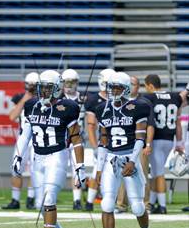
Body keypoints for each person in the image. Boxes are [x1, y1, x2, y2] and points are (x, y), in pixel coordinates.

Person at [13, 70, 86, 228]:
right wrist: (18, 156)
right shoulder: (31, 105)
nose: (44, 91)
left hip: (57, 157)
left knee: (49, 199)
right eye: (42, 87)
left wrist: (79, 167)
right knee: (41, 203)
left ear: (57, 89)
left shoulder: (67, 107)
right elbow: (25, 134)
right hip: (38, 158)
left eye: (48, 88)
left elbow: (76, 139)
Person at [95, 72, 152, 228]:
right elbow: (103, 142)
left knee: (137, 206)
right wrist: (98, 169)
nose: (113, 91)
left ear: (126, 89)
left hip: (129, 155)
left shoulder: (138, 107)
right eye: (112, 87)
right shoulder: (102, 108)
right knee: (107, 203)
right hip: (111, 157)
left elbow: (140, 139)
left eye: (118, 87)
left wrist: (133, 161)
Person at [143, 74, 184, 214]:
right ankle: (154, 203)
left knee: (158, 173)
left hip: (156, 138)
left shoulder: (150, 97)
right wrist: (179, 142)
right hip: (169, 139)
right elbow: (178, 122)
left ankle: (162, 205)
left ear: (150, 85)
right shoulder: (175, 96)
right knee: (156, 172)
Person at [115, 76, 153, 213]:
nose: (131, 86)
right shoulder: (117, 102)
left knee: (142, 175)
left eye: (134, 84)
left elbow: (150, 125)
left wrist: (148, 144)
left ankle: (146, 203)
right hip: (123, 145)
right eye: (129, 84)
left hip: (140, 144)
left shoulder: (144, 102)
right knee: (122, 174)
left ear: (139, 86)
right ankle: (121, 204)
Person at [2, 72, 39, 210]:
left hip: (37, 139)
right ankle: (15, 199)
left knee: (35, 170)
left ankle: (30, 198)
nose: (31, 88)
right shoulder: (20, 98)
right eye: (29, 85)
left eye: (34, 85)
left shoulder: (42, 99)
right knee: (16, 168)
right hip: (23, 138)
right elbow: (12, 116)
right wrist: (25, 99)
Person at [83, 68, 115, 211]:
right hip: (103, 142)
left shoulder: (119, 99)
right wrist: (95, 146)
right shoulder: (94, 100)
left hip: (118, 141)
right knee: (98, 170)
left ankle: (116, 202)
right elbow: (91, 126)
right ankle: (89, 202)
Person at [61, 68, 87, 210]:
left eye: (72, 82)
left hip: (78, 139)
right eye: (67, 82)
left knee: (78, 169)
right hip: (61, 140)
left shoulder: (84, 98)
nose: (70, 85)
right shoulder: (59, 98)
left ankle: (77, 200)